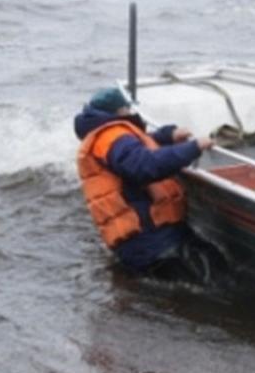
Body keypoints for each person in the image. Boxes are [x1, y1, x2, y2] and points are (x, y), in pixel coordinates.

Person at [73, 86, 223, 283]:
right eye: (127, 108)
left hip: (151, 233)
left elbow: (134, 148)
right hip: (149, 240)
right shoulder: (111, 136)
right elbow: (144, 165)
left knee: (214, 263)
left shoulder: (106, 134)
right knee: (214, 283)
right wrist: (193, 147)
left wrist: (167, 136)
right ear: (120, 111)